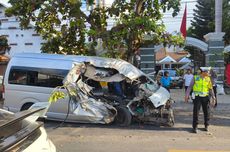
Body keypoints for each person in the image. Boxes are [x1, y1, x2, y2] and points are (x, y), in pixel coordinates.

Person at [185, 67, 216, 133]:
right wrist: (187, 95)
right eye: (207, 72)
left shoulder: (208, 79)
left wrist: (213, 97)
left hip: (205, 97)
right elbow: (190, 87)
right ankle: (195, 127)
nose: (209, 73)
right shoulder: (195, 77)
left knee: (207, 112)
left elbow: (210, 89)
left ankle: (206, 125)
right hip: (197, 97)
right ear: (203, 72)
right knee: (196, 112)